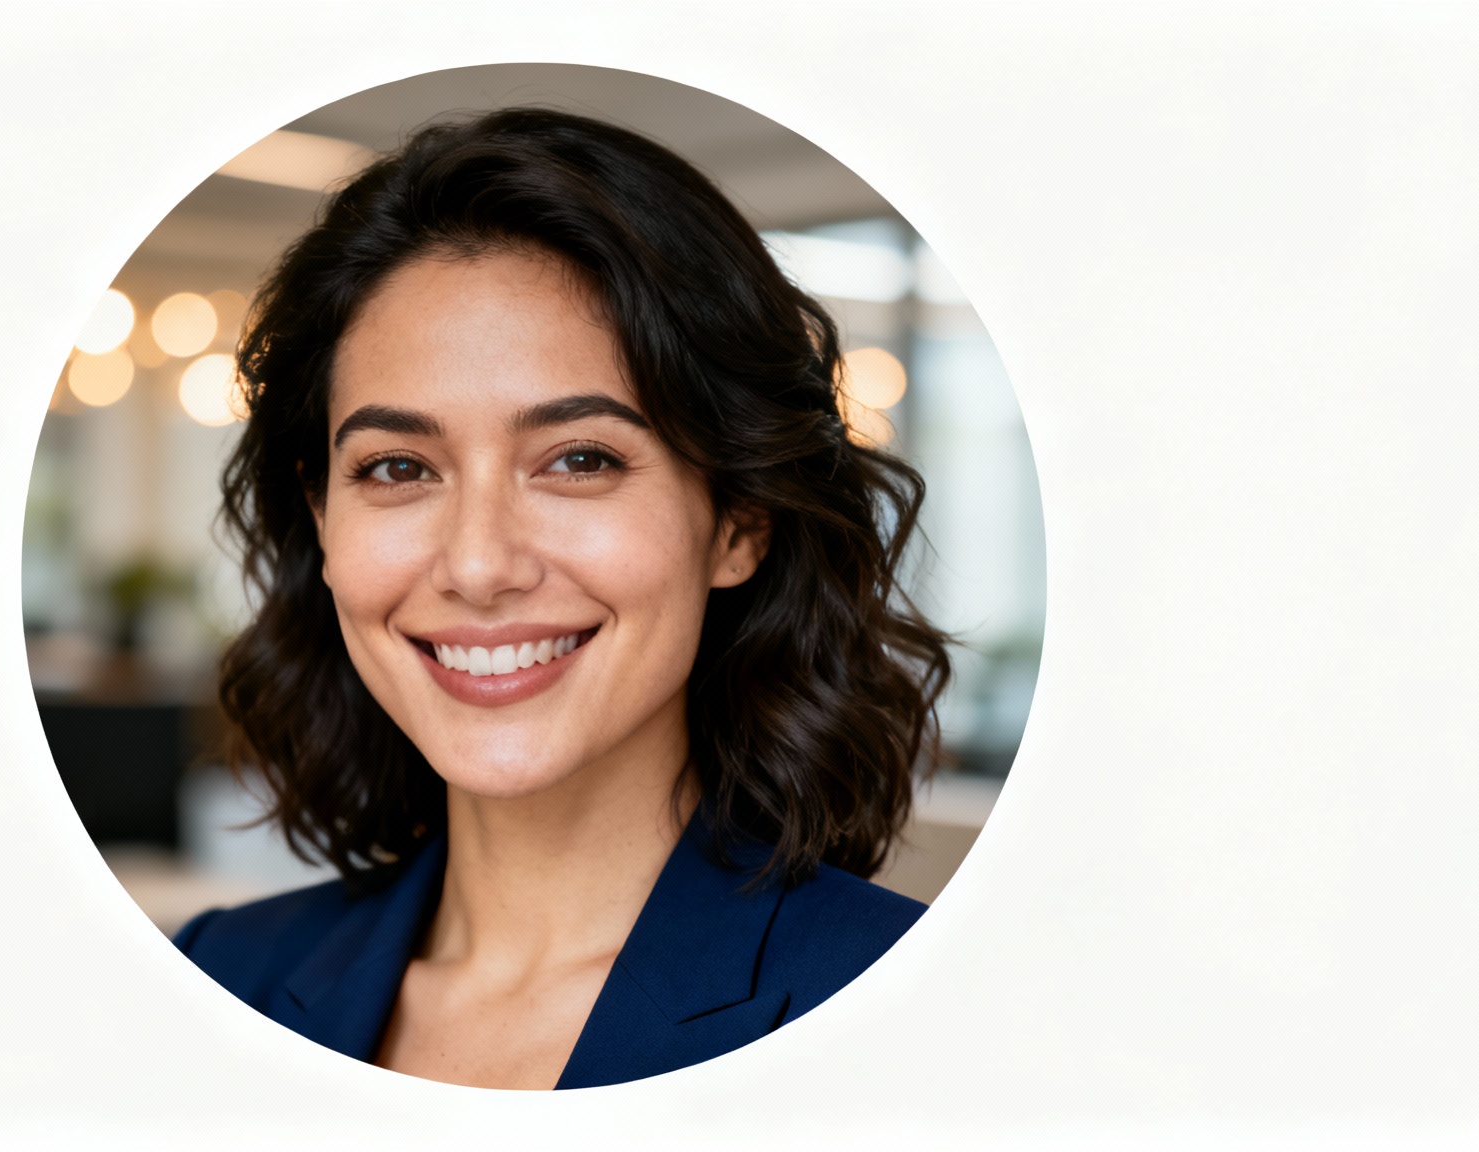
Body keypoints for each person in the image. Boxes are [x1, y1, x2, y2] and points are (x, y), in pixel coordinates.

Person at [173, 107, 951, 1090]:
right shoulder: (213, 979)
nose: (477, 565)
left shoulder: (919, 1013)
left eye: (579, 459)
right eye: (398, 467)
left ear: (739, 520)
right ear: (321, 519)